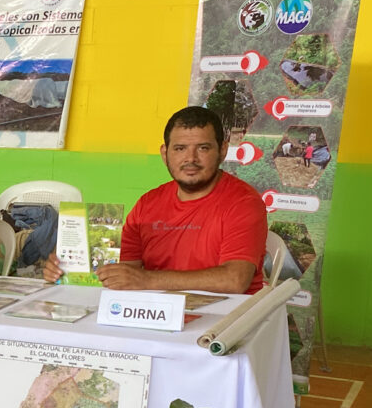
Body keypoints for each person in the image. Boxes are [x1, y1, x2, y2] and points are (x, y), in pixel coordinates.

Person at [44, 106, 266, 294]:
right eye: (180, 149)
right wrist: (70, 267)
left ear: (223, 150)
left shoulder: (243, 203)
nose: (190, 158)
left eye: (203, 148)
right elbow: (125, 269)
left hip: (226, 320)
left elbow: (234, 280)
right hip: (155, 312)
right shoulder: (148, 203)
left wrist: (146, 279)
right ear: (164, 153)